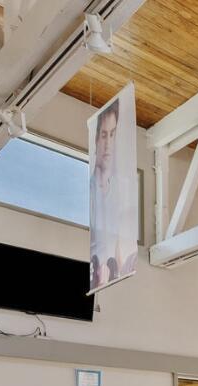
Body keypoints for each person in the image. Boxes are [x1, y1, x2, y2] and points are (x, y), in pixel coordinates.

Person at [90, 97, 136, 290]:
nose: (108, 143)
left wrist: (119, 275)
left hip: (109, 274)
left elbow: (119, 240)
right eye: (103, 135)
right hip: (94, 273)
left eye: (112, 134)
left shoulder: (121, 187)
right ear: (96, 139)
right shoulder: (90, 189)